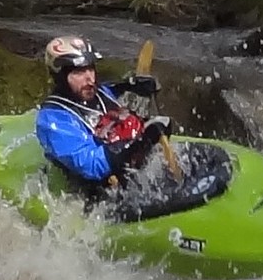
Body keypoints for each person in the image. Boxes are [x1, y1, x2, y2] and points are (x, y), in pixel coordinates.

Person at [35, 35, 174, 196]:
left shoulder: (94, 92)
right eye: (79, 71)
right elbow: (91, 165)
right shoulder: (52, 119)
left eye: (91, 68)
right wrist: (143, 140)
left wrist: (131, 85)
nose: (90, 78)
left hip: (128, 175)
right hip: (93, 198)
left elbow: (108, 91)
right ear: (60, 76)